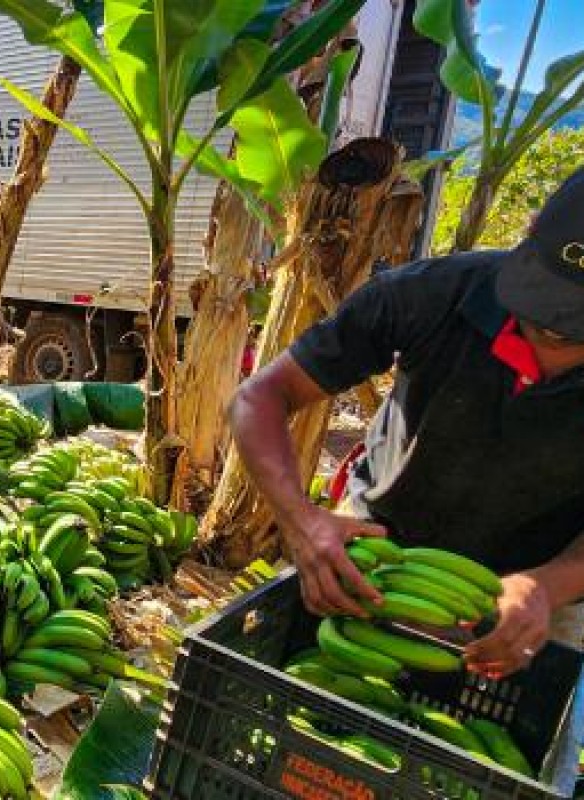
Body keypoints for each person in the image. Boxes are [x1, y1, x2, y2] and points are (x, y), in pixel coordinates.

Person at [231, 168, 584, 681]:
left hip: (538, 594)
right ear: (528, 233)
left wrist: (548, 587)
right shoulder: (433, 294)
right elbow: (260, 396)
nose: (552, 328)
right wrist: (302, 521)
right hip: (377, 552)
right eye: (546, 301)